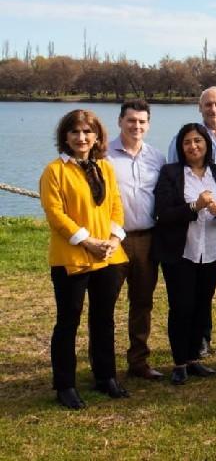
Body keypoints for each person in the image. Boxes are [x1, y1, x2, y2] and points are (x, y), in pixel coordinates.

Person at [40, 109, 130, 409]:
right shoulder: (54, 171)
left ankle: (106, 377)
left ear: (97, 136)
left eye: (87, 132)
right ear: (65, 137)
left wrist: (113, 240)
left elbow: (116, 206)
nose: (82, 138)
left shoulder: (105, 167)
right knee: (68, 321)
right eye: (75, 132)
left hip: (107, 256)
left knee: (104, 319)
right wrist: (88, 241)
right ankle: (64, 385)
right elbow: (56, 216)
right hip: (72, 258)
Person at [153, 123, 216, 385]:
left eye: (198, 141)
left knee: (202, 305)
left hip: (212, 251)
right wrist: (194, 206)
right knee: (181, 306)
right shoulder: (171, 173)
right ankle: (179, 363)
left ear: (207, 145)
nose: (193, 146)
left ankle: (193, 359)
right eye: (187, 142)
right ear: (181, 146)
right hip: (182, 252)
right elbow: (162, 213)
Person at [167, 86, 216, 358]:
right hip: (191, 232)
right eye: (208, 104)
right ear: (200, 108)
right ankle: (201, 340)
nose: (213, 109)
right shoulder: (184, 138)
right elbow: (173, 181)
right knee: (197, 292)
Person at [108, 99, 166, 381]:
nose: (136, 126)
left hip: (147, 240)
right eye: (131, 120)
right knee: (105, 303)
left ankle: (138, 361)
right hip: (112, 240)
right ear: (120, 121)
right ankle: (103, 364)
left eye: (142, 121)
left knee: (142, 302)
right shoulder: (102, 156)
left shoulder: (157, 158)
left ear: (148, 125)